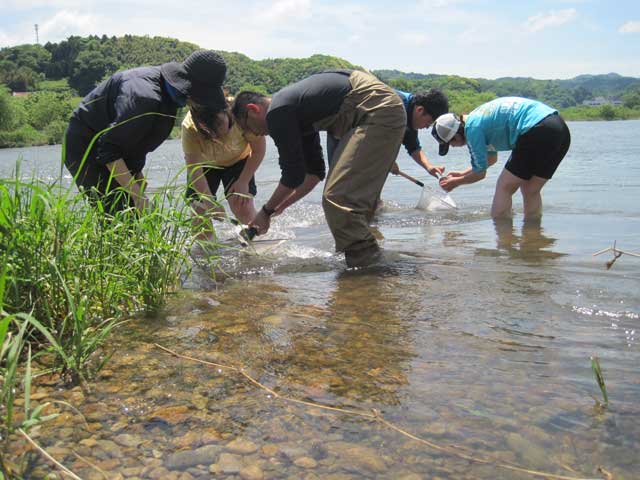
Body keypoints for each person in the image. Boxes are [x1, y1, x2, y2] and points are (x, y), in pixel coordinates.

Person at [232, 70, 448, 268]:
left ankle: (369, 269)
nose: (254, 135)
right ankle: (364, 262)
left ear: (253, 110)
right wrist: (278, 209)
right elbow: (314, 174)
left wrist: (266, 211)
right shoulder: (294, 109)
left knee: (339, 199)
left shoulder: (278, 112)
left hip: (377, 109)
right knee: (347, 198)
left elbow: (292, 175)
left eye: (247, 127)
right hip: (376, 111)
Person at [64, 50, 227, 213]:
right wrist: (138, 197)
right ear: (191, 89)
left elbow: (136, 141)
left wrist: (137, 177)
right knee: (120, 213)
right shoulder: (144, 97)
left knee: (141, 214)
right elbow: (109, 150)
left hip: (114, 148)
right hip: (86, 146)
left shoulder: (170, 96)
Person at [431, 97, 571, 219]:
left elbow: (480, 173)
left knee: (504, 187)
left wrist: (456, 182)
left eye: (451, 144)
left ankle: (503, 240)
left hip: (535, 129)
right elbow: (490, 160)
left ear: (456, 135)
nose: (454, 147)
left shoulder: (472, 129)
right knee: (530, 189)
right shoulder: (478, 120)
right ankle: (533, 237)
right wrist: (462, 174)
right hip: (559, 128)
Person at [182, 102, 266, 240]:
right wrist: (209, 201)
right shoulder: (189, 127)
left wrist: (243, 181)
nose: (216, 136)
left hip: (239, 160)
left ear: (227, 112)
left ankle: (256, 239)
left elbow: (258, 151)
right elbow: (194, 169)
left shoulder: (243, 115)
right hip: (204, 165)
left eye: (220, 126)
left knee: (241, 204)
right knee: (200, 210)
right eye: (208, 133)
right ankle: (204, 251)